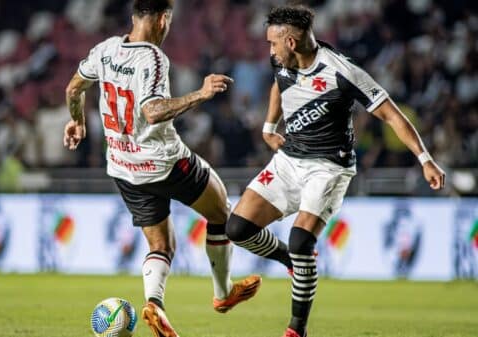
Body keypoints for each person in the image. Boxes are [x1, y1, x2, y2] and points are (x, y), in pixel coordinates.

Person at [225, 5, 446, 337]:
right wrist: (270, 125)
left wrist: (425, 158)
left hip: (328, 168)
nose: (269, 51)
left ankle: (296, 329)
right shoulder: (282, 61)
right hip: (289, 160)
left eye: (273, 44)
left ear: (290, 41)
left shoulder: (342, 71)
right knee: (237, 229)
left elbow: (390, 115)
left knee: (301, 241)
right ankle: (290, 261)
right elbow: (279, 84)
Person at [63, 1, 261, 336]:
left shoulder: (106, 49)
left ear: (133, 17)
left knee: (161, 246)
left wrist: (77, 122)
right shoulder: (153, 57)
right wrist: (200, 93)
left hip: (123, 167)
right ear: (163, 19)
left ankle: (155, 304)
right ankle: (223, 294)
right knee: (220, 210)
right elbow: (153, 111)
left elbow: (73, 89)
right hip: (163, 161)